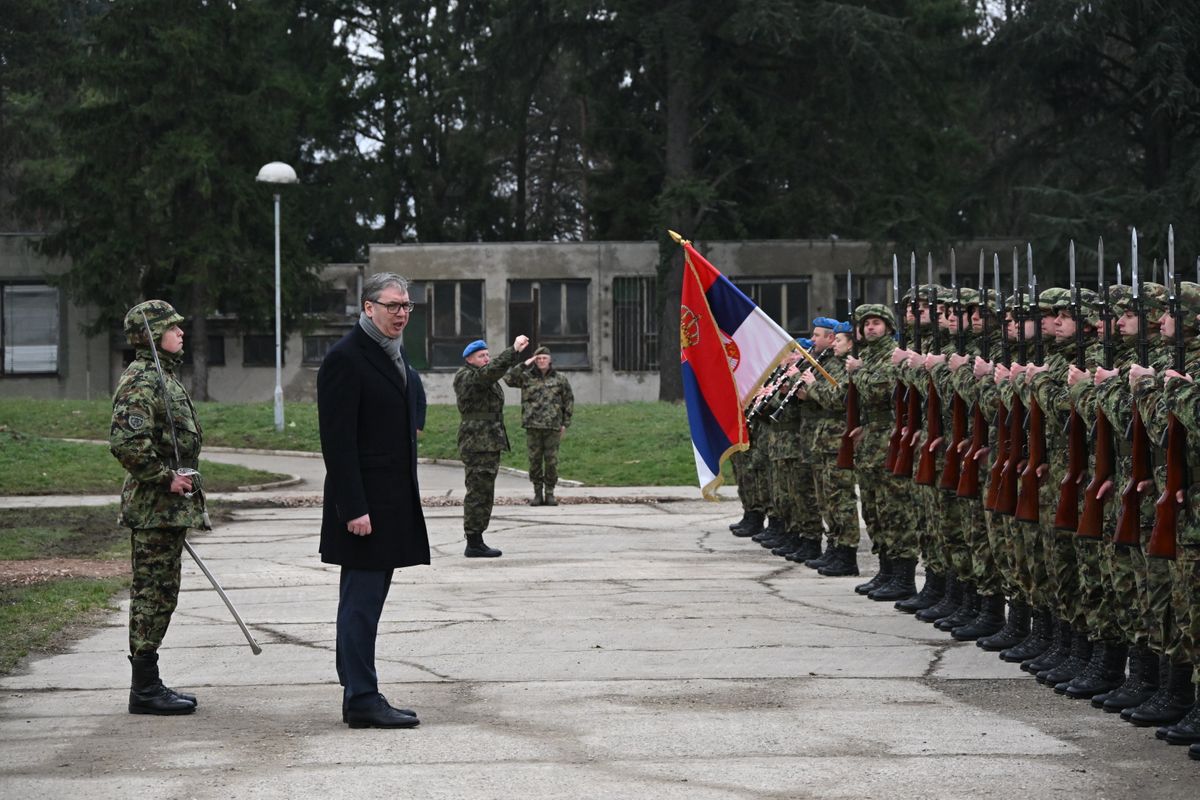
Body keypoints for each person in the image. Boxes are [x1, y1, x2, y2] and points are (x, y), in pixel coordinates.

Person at [317, 272, 429, 729]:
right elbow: (338, 443)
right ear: (368, 308)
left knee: (363, 602)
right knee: (361, 604)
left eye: (406, 306)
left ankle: (357, 689)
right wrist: (354, 508)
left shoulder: (394, 356)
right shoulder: (346, 359)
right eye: (392, 306)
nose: (401, 313)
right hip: (364, 508)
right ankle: (362, 697)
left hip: (388, 502)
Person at [110, 299, 207, 716]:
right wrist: (167, 478)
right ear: (151, 334)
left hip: (166, 512)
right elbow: (127, 443)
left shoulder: (163, 376)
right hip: (154, 508)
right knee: (153, 594)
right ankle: (145, 689)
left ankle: (148, 683)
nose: (181, 332)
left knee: (162, 593)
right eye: (172, 327)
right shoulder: (143, 380)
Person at [456, 335, 530, 557]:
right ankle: (473, 541)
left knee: (485, 491)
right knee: (478, 492)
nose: (487, 358)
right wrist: (513, 350)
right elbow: (491, 372)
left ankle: (477, 538)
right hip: (477, 442)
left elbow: (494, 373)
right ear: (469, 359)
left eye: (488, 354)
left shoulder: (484, 376)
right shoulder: (466, 376)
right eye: (482, 356)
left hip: (488, 441)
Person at [505, 345, 574, 506]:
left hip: (553, 426)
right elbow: (508, 378)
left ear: (550, 360)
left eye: (544, 358)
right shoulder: (527, 377)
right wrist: (525, 364)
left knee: (551, 461)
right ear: (535, 361)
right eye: (539, 358)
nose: (542, 361)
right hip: (533, 425)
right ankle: (537, 493)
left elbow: (568, 400)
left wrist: (565, 423)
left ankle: (549, 493)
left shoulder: (560, 378)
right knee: (534, 461)